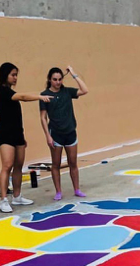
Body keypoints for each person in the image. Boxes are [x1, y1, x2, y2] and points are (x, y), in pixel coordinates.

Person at [0, 62, 52, 213]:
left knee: (19, 166)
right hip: (5, 134)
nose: (15, 78)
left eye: (16, 75)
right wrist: (40, 96)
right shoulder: (3, 92)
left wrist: (22, 136)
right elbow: (23, 97)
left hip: (17, 134)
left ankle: (17, 196)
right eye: (12, 75)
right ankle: (3, 199)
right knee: (7, 165)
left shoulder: (10, 93)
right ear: (4, 75)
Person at [40, 66, 89, 201]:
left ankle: (77, 189)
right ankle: (58, 191)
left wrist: (73, 74)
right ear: (50, 80)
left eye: (60, 79)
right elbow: (43, 117)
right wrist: (47, 136)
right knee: (55, 164)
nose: (58, 82)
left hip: (70, 133)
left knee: (73, 162)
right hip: (55, 134)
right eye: (55, 79)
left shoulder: (67, 92)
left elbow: (85, 90)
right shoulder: (44, 95)